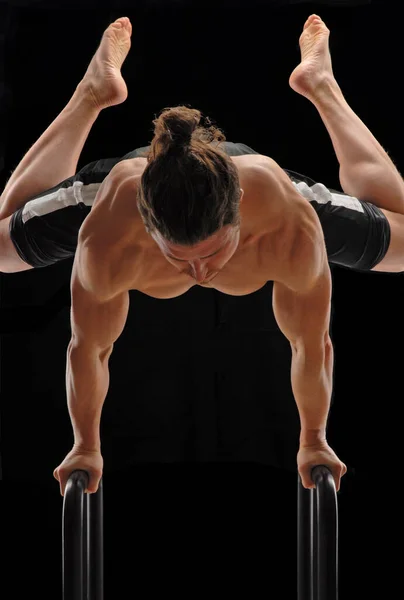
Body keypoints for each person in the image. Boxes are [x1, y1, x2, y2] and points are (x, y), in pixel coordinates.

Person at [1, 15, 403, 496]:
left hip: (258, 189)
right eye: (179, 259)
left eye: (212, 254)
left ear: (239, 217)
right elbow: (89, 348)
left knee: (403, 243)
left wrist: (313, 438)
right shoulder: (108, 235)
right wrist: (85, 445)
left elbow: (311, 344)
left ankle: (321, 85)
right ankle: (93, 92)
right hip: (128, 186)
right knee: (4, 245)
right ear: (150, 230)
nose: (200, 272)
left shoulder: (288, 224)